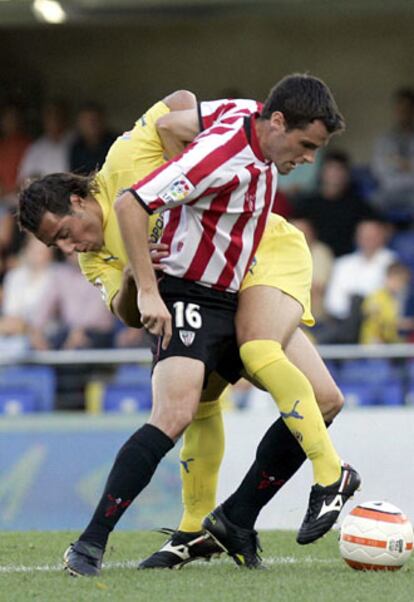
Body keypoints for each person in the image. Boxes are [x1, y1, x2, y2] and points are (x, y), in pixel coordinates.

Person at [18, 75, 359, 575]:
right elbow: (128, 313)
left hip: (261, 250)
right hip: (205, 285)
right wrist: (137, 276)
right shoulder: (95, 260)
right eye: (58, 248)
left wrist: (195, 170)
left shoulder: (123, 162)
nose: (71, 248)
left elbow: (178, 105)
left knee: (270, 360)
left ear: (77, 200)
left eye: (66, 234)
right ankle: (215, 523)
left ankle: (326, 479)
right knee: (197, 401)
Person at [292, 150, 376, 257]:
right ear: (322, 172)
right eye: (331, 169)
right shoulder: (307, 203)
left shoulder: (357, 205)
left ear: (347, 174)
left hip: (346, 261)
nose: (335, 175)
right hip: (313, 256)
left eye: (340, 169)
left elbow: (377, 227)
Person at [371, 87, 414, 220]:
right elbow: (380, 171)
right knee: (370, 204)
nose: (403, 112)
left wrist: (399, 163)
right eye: (400, 108)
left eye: (407, 108)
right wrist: (408, 166)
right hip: (389, 191)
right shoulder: (385, 140)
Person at [69, 102, 117, 175]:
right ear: (79, 123)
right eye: (87, 121)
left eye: (95, 120)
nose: (92, 125)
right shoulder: (76, 147)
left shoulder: (116, 143)